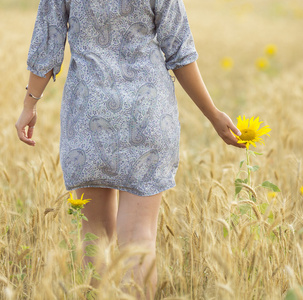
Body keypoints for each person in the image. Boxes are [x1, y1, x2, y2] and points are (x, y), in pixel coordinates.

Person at [15, 0, 246, 298]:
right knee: (139, 238)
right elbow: (180, 51)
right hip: (147, 115)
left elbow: (47, 44)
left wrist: (29, 104)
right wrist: (214, 115)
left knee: (93, 234)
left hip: (89, 117)